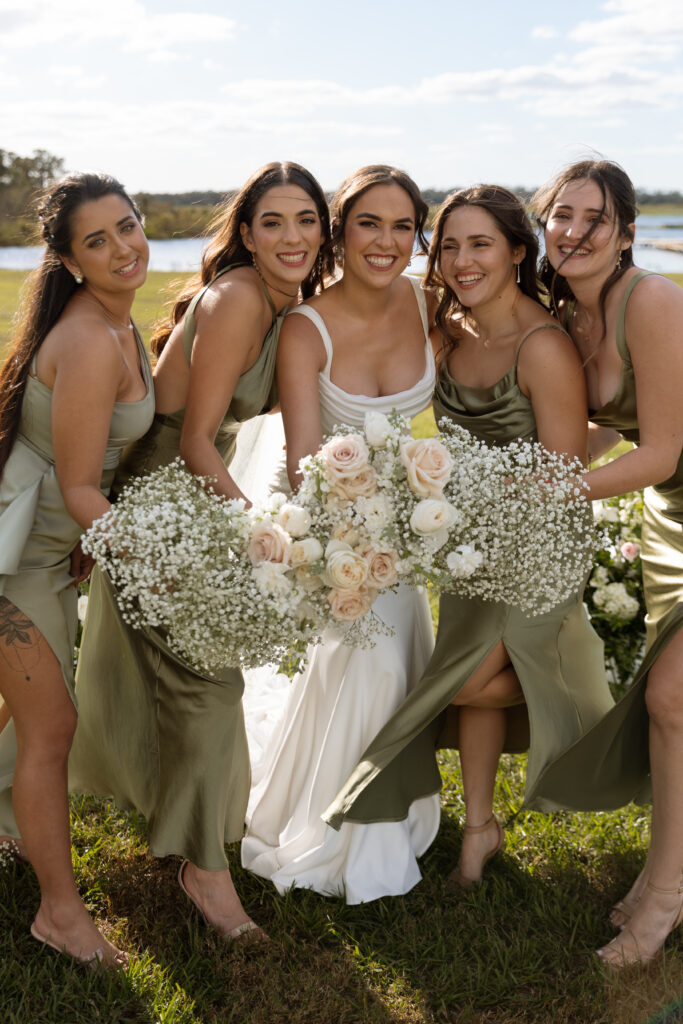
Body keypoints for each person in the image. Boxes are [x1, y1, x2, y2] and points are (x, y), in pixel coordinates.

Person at [319, 185, 615, 889]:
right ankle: (478, 827)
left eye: (478, 243)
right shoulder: (447, 329)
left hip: (538, 542)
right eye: (447, 244)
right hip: (463, 543)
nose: (459, 259)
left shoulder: (542, 345)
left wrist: (488, 499)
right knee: (466, 658)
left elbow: (563, 468)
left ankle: (582, 695)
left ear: (518, 251)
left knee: (469, 680)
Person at [69, 162, 331, 940]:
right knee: (208, 684)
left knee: (191, 680)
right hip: (156, 495)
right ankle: (203, 871)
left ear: (324, 230)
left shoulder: (291, 305)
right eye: (273, 222)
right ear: (245, 234)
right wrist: (264, 532)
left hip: (192, 492)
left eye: (307, 221)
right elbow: (191, 442)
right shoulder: (240, 297)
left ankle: (25, 802)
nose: (292, 237)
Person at [241, 165, 442, 904]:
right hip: (337, 531)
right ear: (339, 230)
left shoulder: (427, 303)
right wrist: (348, 545)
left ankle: (394, 806)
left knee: (400, 666)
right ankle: (344, 830)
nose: (386, 242)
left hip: (415, 528)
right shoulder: (307, 327)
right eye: (368, 223)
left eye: (402, 226)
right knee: (379, 663)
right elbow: (302, 464)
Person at [527, 158, 683, 966]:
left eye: (594, 218)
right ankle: (669, 871)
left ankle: (663, 894)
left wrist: (558, 494)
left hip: (671, 484)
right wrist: (517, 475)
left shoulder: (650, 301)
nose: (574, 231)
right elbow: (602, 430)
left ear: (625, 233)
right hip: (671, 519)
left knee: (669, 699)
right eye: (561, 215)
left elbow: (658, 449)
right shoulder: (562, 313)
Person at [0, 172, 155, 966]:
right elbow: (81, 484)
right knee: (49, 730)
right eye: (98, 241)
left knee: (28, 715)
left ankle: (14, 826)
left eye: (127, 226)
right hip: (11, 565)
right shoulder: (90, 342)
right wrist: (161, 562)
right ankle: (59, 914)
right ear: (68, 260)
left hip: (50, 553)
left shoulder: (120, 326)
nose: (123, 248)